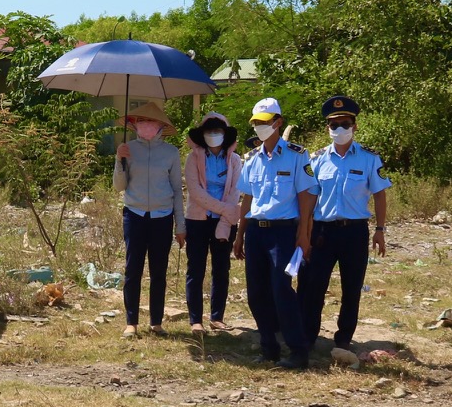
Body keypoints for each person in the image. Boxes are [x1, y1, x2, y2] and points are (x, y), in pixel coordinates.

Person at [300, 95, 392, 358]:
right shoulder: (317, 160)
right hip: (322, 232)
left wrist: (380, 230)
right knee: (313, 287)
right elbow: (309, 199)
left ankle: (343, 340)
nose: (339, 129)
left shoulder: (368, 158)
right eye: (333, 125)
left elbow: (380, 194)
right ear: (327, 128)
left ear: (355, 126)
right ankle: (307, 338)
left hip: (354, 231)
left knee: (352, 289)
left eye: (344, 123)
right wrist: (304, 235)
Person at [232, 97, 317, 369]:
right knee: (256, 292)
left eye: (265, 122)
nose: (259, 127)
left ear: (278, 122)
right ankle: (268, 347)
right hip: (256, 231)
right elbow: (247, 199)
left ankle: (297, 350)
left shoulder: (296, 154)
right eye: (256, 123)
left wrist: (304, 234)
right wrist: (239, 234)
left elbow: (307, 196)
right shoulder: (252, 159)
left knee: (282, 289)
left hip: (283, 232)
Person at [112, 100, 184, 339]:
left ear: (161, 126)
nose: (146, 126)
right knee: (133, 269)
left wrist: (180, 226)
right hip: (135, 214)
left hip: (162, 217)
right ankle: (131, 321)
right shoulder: (128, 148)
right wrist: (118, 161)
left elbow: (176, 189)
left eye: (151, 122)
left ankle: (156, 321)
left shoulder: (171, 153)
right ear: (134, 125)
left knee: (159, 271)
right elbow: (118, 186)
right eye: (142, 122)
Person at [182, 111, 242, 335]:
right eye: (209, 131)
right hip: (198, 220)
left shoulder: (235, 160)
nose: (213, 135)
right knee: (195, 269)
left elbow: (236, 191)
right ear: (202, 134)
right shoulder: (193, 158)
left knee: (221, 269)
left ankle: (217, 317)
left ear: (225, 134)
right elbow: (196, 192)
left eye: (217, 131)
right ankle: (195, 319)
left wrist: (226, 218)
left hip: (224, 222)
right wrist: (227, 210)